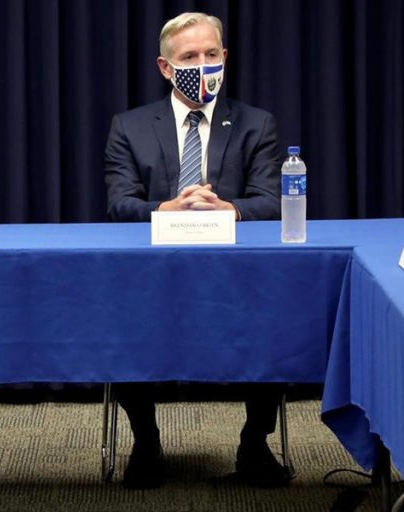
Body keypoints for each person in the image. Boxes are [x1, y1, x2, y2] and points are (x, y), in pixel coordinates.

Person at [104, 13, 290, 489]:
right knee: (122, 321)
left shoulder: (255, 123)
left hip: (235, 275)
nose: (203, 65)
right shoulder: (129, 126)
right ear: (166, 67)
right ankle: (146, 442)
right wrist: (166, 207)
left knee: (277, 319)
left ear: (225, 59)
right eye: (190, 57)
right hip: (153, 275)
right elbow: (119, 203)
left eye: (211, 55)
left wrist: (227, 208)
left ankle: (255, 444)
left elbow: (272, 201)